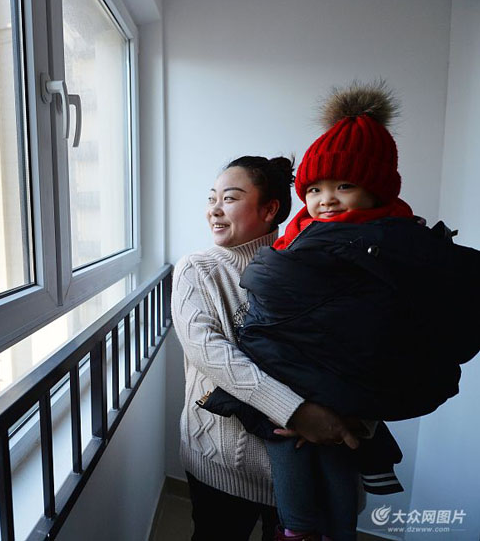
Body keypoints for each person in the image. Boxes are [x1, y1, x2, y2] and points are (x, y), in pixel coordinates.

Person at [199, 82, 480, 541]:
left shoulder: (383, 242)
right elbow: (218, 349)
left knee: (332, 478)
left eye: (343, 186)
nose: (326, 198)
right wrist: (297, 412)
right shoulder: (256, 253)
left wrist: (351, 410)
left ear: (270, 209)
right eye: (315, 189)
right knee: (294, 480)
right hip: (274, 424)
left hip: (336, 406)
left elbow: (384, 332)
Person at [171, 156, 364, 541]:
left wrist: (350, 419)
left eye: (229, 198)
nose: (214, 209)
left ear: (270, 209)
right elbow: (210, 354)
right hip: (222, 462)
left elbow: (351, 347)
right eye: (212, 198)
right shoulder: (197, 269)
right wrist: (297, 413)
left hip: (301, 469)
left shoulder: (307, 264)